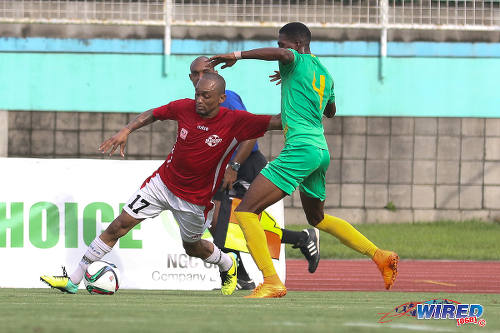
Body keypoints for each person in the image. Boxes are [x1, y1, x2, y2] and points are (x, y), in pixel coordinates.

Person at [40, 72, 282, 296]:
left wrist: (302, 94)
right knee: (118, 226)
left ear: (221, 98)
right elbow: (153, 114)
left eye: (205, 96)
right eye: (197, 93)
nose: (198, 99)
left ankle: (227, 263)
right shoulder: (184, 107)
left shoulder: (235, 120)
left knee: (193, 247)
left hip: (195, 199)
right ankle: (73, 280)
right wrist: (127, 129)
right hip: (162, 184)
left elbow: (277, 122)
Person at [210, 22, 399, 298]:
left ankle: (271, 281)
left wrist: (237, 55)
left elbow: (285, 57)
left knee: (246, 211)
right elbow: (330, 111)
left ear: (298, 45)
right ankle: (381, 256)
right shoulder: (325, 73)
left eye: (282, 44)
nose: (279, 50)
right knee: (317, 218)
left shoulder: (293, 58)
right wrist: (293, 80)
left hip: (300, 149)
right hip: (320, 151)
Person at [189, 57, 321, 290]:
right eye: (195, 74)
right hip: (225, 170)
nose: (200, 78)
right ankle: (297, 242)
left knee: (237, 220)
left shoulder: (226, 98)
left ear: (215, 73)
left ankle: (245, 276)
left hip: (245, 164)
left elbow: (250, 133)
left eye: (205, 72)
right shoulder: (200, 103)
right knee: (218, 223)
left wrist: (235, 167)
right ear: (190, 78)